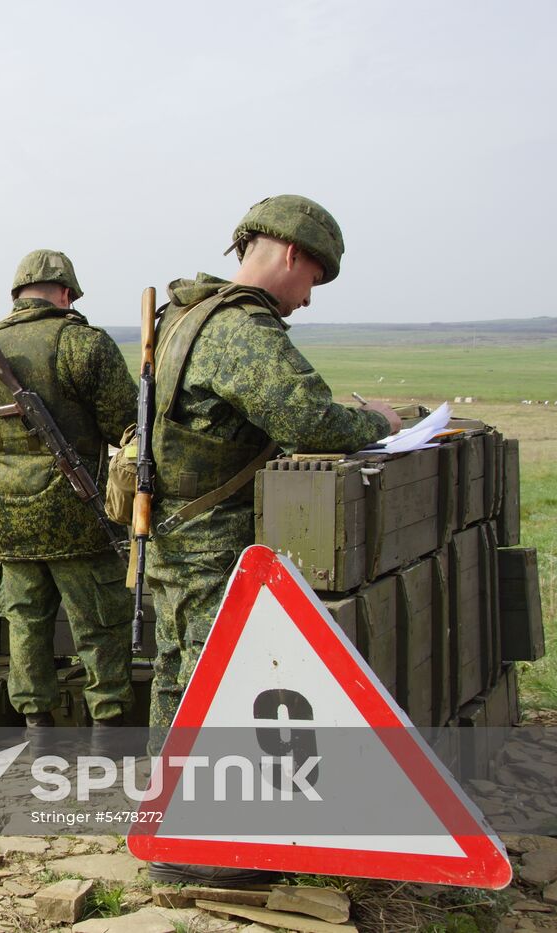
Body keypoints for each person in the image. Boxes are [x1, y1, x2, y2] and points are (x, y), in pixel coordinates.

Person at [143, 195, 400, 885]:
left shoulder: (187, 313)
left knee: (178, 674)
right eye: (314, 277)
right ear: (291, 253)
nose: (308, 298)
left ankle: (167, 824)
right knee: (218, 678)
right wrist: (379, 421)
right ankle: (196, 846)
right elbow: (309, 420)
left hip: (176, 532)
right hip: (211, 540)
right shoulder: (241, 327)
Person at [0, 250, 138, 752]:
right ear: (65, 293)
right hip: (79, 513)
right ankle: (108, 735)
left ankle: (38, 733)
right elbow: (126, 426)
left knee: (25, 626)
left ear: (18, 294)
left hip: (11, 515)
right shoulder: (83, 343)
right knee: (100, 624)